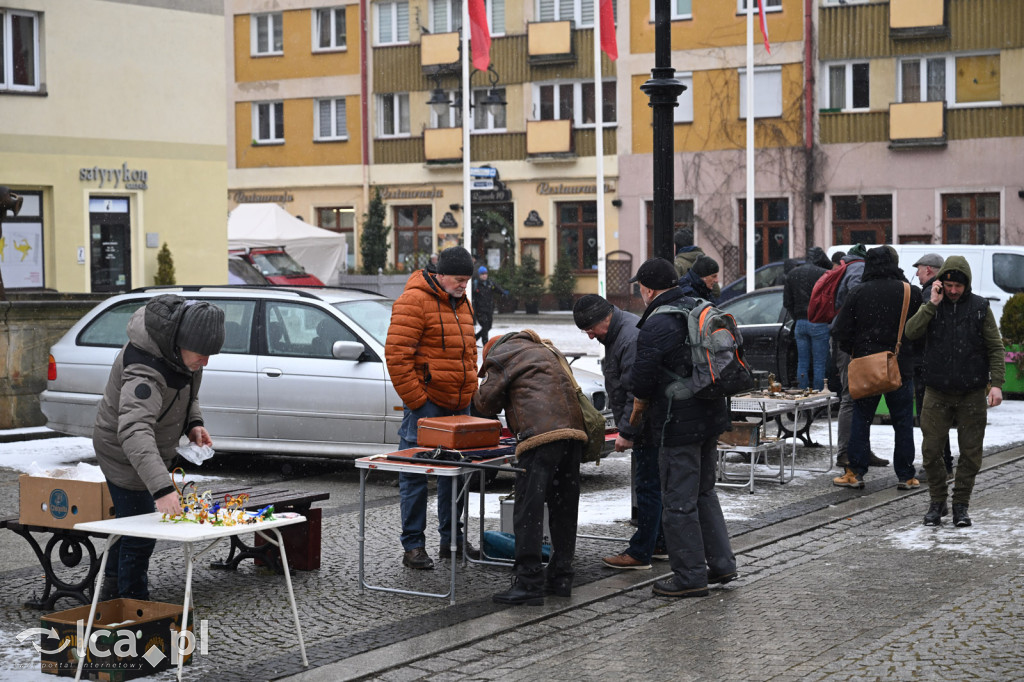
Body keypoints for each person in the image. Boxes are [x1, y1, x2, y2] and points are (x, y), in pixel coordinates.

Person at [94, 295, 225, 600]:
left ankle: (109, 589)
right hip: (121, 452)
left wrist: (194, 423)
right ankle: (132, 606)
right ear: (180, 342)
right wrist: (162, 488)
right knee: (141, 534)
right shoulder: (145, 366)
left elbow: (189, 394)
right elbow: (134, 430)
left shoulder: (186, 354)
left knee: (129, 524)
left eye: (211, 355)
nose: (205, 362)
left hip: (149, 448)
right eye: (202, 354)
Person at [628, 257, 736, 598]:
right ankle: (721, 564)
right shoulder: (699, 304)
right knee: (704, 493)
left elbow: (642, 381)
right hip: (710, 415)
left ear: (647, 289)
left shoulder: (657, 324)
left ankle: (689, 577)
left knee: (677, 500)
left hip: (677, 423)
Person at [474, 330, 588, 605]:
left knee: (529, 511)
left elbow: (485, 404)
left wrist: (475, 389)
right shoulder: (545, 350)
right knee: (563, 509)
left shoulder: (501, 356)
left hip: (541, 438)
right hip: (574, 435)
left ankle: (529, 582)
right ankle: (561, 577)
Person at [385, 246, 479, 570]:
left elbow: (469, 353)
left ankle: (452, 541)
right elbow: (397, 357)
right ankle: (413, 546)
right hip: (427, 405)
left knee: (456, 473)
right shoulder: (413, 300)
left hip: (458, 405)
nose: (463, 285)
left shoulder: (462, 303)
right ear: (440, 274)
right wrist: (417, 401)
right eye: (458, 279)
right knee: (413, 475)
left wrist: (470, 389)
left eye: (467, 280)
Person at [904, 256, 1005, 527]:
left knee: (971, 453)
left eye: (957, 286)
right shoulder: (932, 304)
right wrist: (931, 305)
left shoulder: (980, 307)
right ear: (940, 282)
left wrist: (996, 383)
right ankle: (937, 502)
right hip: (936, 391)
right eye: (947, 285)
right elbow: (910, 332)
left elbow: (995, 347)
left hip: (971, 392)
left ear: (966, 284)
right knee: (931, 450)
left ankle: (961, 504)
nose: (952, 290)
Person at [572, 295, 665, 571]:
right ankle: (659, 543)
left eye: (590, 330)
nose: (590, 337)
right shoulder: (620, 332)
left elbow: (635, 393)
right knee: (653, 485)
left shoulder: (628, 339)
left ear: (606, 319)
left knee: (648, 486)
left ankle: (641, 553)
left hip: (647, 425)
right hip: (649, 422)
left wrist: (626, 431)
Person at [832, 247, 922, 490]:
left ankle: (855, 473)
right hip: (900, 366)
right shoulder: (909, 292)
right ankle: (906, 475)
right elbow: (921, 330)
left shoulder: (859, 292)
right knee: (903, 422)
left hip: (866, 367)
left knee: (861, 419)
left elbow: (839, 331)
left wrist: (857, 349)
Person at [830, 244, 888, 470]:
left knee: (861, 395)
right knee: (850, 395)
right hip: (848, 341)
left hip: (850, 340)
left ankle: (861, 448)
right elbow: (857, 299)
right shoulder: (857, 269)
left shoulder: (848, 266)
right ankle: (845, 452)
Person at [910, 253, 954, 476]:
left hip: (926, 365)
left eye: (918, 269)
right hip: (940, 364)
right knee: (938, 417)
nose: (916, 274)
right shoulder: (947, 290)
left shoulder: (930, 293)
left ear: (928, 269)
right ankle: (944, 462)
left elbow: (921, 330)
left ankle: (937, 465)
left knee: (930, 418)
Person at [783, 247, 833, 391]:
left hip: (800, 323)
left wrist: (797, 316)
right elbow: (830, 301)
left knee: (802, 362)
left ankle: (803, 396)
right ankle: (818, 399)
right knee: (819, 363)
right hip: (818, 322)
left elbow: (787, 303)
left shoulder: (792, 274)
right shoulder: (823, 274)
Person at [672, 229, 721, 298]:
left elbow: (675, 292)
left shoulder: (677, 264)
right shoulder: (705, 261)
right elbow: (716, 292)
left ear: (677, 246)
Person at [473, 265, 504, 345]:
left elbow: (497, 289)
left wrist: (504, 293)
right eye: (482, 274)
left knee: (488, 326)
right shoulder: (476, 284)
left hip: (489, 308)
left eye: (485, 274)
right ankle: (485, 343)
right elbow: (473, 296)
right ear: (479, 275)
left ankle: (476, 337)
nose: (484, 276)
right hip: (480, 310)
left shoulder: (490, 283)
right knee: (485, 325)